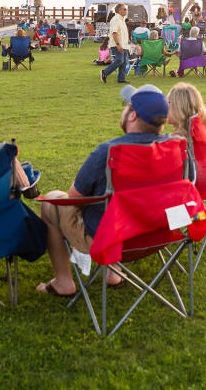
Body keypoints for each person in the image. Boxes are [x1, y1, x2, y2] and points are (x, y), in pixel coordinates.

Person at [37, 84, 171, 296]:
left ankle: (63, 281)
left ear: (133, 115)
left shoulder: (108, 153)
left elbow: (74, 197)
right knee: (119, 205)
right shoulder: (174, 148)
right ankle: (113, 272)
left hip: (110, 238)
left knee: (51, 202)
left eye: (126, 106)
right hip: (156, 234)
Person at [100, 3, 130, 84]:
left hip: (124, 45)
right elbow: (114, 33)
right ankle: (105, 72)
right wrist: (118, 44)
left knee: (124, 62)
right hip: (117, 44)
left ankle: (121, 79)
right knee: (120, 60)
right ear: (119, 10)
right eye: (124, 9)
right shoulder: (116, 20)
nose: (126, 11)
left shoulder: (122, 20)